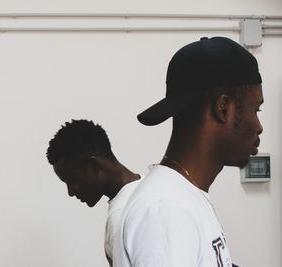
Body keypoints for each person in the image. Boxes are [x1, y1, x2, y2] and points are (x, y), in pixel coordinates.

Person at [113, 37, 263, 267]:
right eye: (256, 109)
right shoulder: (167, 208)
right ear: (223, 108)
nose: (259, 126)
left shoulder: (183, 196)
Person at [46, 119, 142, 266]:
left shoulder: (121, 217)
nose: (70, 192)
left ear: (94, 165)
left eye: (72, 181)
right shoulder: (151, 188)